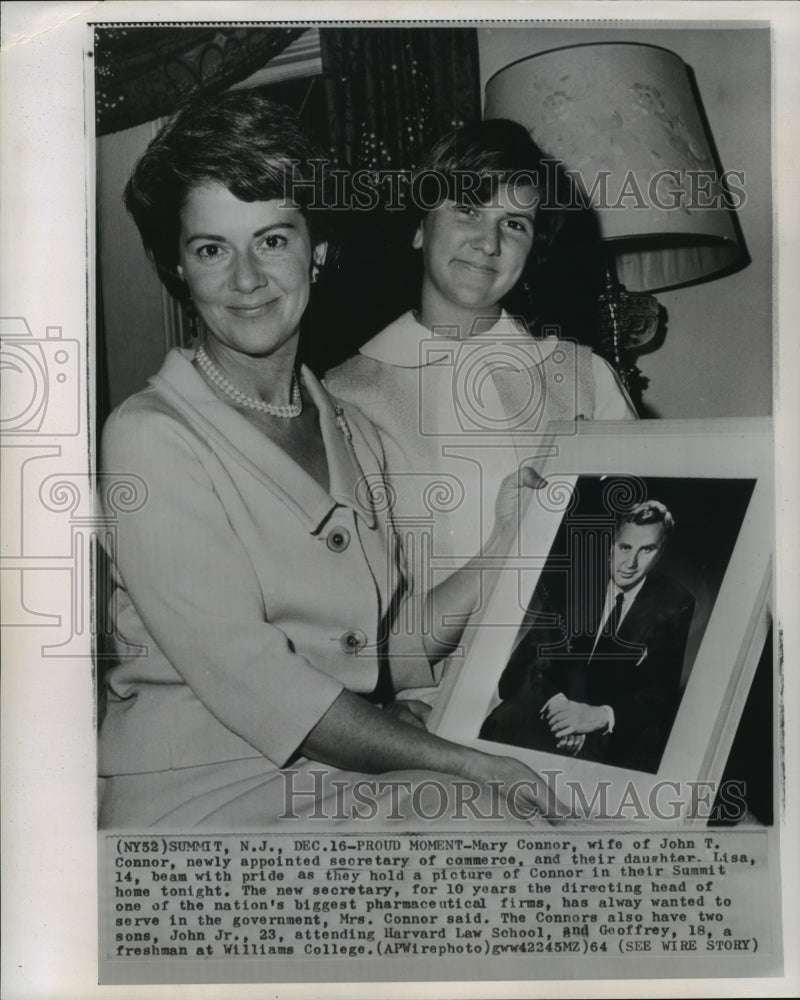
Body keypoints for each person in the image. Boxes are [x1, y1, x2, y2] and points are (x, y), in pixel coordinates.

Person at [97, 88, 560, 830]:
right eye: (211, 249)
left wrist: (509, 545)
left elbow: (386, 646)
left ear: (317, 247)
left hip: (328, 786)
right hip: (200, 809)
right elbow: (260, 682)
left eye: (273, 240)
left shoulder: (348, 427)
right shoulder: (150, 437)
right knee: (488, 815)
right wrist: (464, 761)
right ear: (178, 268)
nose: (246, 280)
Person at [325, 118, 637, 569]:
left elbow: (640, 529)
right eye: (467, 209)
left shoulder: (586, 376)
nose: (488, 242)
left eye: (514, 224)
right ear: (419, 228)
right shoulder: (342, 395)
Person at [480, 501, 696, 773]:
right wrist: (561, 711)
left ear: (660, 551)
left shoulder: (676, 603)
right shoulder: (572, 581)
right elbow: (517, 670)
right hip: (538, 714)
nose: (631, 563)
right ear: (610, 544)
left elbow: (658, 698)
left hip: (604, 745)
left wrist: (598, 717)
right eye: (625, 547)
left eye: (647, 550)